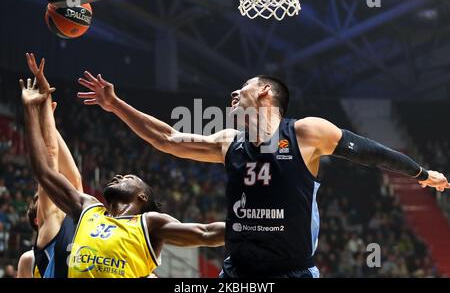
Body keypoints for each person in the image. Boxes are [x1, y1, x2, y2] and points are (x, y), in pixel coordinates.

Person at [77, 72, 449, 278]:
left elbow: (368, 152)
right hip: (238, 272)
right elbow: (168, 138)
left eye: (243, 89)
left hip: (293, 271)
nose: (233, 94)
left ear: (266, 92)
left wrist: (419, 172)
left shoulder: (306, 132)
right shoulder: (229, 142)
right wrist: (115, 105)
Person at [20, 78, 225, 278]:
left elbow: (205, 232)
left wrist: (253, 226)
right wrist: (30, 110)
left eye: (129, 177)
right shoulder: (88, 208)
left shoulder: (150, 223)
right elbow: (45, 172)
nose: (118, 176)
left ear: (143, 197)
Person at [16, 53, 83, 278]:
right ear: (38, 219)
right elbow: (50, 161)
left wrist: (49, 122)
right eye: (41, 199)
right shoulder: (52, 224)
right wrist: (42, 105)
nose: (45, 195)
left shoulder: (77, 219)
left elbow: (74, 179)